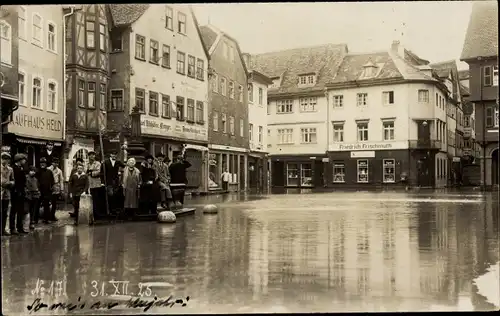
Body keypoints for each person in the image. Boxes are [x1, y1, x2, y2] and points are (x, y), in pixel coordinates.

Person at [11, 153, 28, 235]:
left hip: (21, 192)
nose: (25, 161)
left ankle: (20, 227)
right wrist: (17, 191)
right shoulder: (13, 168)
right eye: (24, 159)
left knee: (20, 211)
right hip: (15, 192)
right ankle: (12, 228)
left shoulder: (21, 168)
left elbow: (23, 181)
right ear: (19, 160)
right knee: (14, 211)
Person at [37, 157, 55, 224]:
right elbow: (36, 181)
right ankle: (35, 220)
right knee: (37, 205)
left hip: (47, 191)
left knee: (46, 206)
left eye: (43, 163)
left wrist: (51, 187)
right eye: (41, 163)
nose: (42, 164)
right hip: (39, 191)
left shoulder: (49, 172)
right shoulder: (37, 171)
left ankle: (46, 219)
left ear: (46, 164)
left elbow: (52, 180)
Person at [86, 151, 103, 217]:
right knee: (90, 198)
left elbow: (98, 172)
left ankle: (97, 213)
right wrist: (91, 171)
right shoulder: (87, 163)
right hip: (89, 183)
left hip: (96, 184)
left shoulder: (97, 163)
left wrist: (91, 172)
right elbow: (85, 171)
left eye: (93, 155)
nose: (92, 156)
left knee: (96, 199)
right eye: (90, 155)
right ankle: (91, 213)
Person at [1, 152, 14, 236]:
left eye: (7, 159)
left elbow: (13, 179)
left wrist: (11, 183)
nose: (5, 161)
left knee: (5, 212)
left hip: (6, 192)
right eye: (4, 158)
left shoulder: (10, 169)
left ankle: (3, 230)